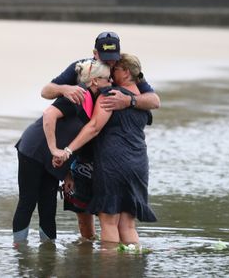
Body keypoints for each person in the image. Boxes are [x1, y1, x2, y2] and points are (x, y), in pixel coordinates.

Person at [54, 53, 157, 245]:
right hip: (139, 164)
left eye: (115, 69)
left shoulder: (109, 96)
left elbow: (93, 127)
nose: (110, 74)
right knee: (128, 225)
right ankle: (131, 266)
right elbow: (155, 101)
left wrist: (68, 150)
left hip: (113, 163)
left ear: (126, 72)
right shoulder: (143, 102)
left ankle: (108, 267)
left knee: (109, 222)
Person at [12, 59, 112, 246]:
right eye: (108, 79)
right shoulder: (79, 95)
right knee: (28, 200)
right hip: (33, 149)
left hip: (56, 159)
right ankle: (19, 251)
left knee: (48, 205)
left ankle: (47, 254)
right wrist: (53, 149)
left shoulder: (93, 100)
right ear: (95, 81)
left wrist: (68, 174)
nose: (111, 83)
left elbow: (73, 136)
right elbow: (49, 114)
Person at [41, 31, 160, 112]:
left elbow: (155, 101)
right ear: (95, 53)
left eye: (112, 58)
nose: (109, 63)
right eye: (104, 58)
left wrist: (128, 101)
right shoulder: (82, 67)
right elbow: (45, 91)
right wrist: (64, 89)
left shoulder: (124, 69)